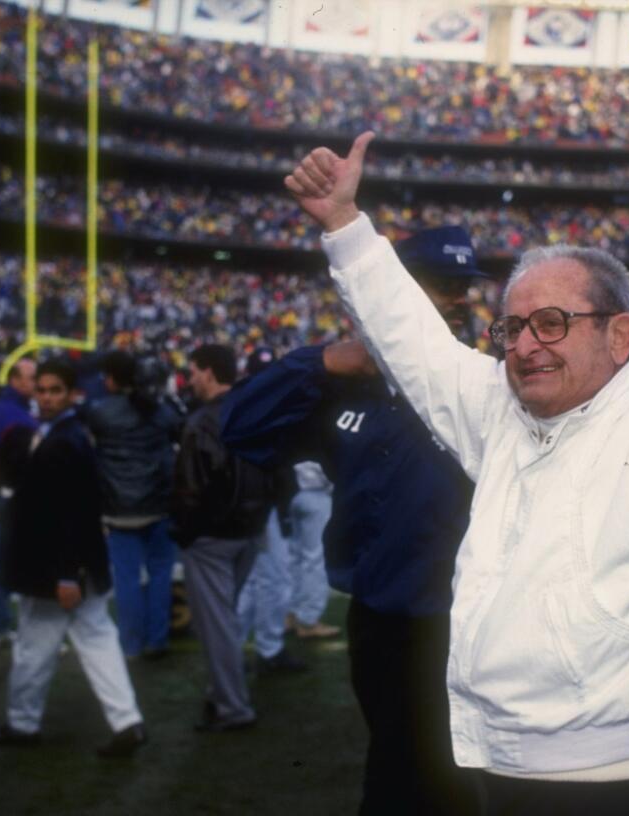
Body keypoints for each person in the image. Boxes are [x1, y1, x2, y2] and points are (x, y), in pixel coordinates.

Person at [283, 86, 629, 813]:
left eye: (553, 323)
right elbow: (414, 343)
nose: (525, 345)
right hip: (493, 764)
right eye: (513, 327)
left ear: (620, 335)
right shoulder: (502, 414)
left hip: (611, 783)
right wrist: (344, 224)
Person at [221, 226, 488, 815]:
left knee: (461, 776)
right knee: (397, 763)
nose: (460, 299)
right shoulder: (349, 387)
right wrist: (320, 361)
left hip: (473, 618)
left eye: (464, 287)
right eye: (444, 286)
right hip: (384, 619)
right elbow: (238, 425)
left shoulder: (484, 380)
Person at [0, 357, 147, 758]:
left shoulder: (64, 441)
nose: (46, 397)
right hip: (77, 565)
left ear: (72, 393)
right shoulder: (67, 433)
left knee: (34, 648)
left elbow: (68, 515)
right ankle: (126, 720)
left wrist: (66, 574)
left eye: (55, 390)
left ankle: (23, 723)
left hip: (57, 571)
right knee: (97, 640)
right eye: (41, 390)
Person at [173, 344, 275, 732]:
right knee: (224, 619)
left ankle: (232, 707)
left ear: (210, 372)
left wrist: (184, 531)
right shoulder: (254, 409)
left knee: (218, 626)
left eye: (194, 371)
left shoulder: (202, 422)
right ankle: (222, 697)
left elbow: (192, 488)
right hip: (248, 530)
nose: (190, 378)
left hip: (213, 537)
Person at [85, 350, 182, 661]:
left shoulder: (100, 412)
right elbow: (179, 430)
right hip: (159, 504)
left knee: (126, 580)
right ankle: (158, 639)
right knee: (160, 575)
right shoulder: (162, 411)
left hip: (119, 509)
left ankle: (130, 644)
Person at [234, 347, 306, 675]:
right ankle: (269, 649)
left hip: (264, 502)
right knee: (274, 578)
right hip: (258, 503)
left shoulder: (258, 400)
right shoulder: (252, 403)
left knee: (255, 579)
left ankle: (238, 645)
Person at [0, 357, 38, 651]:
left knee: (8, 560)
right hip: (13, 497)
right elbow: (16, 462)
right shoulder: (9, 414)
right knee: (20, 561)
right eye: (30, 377)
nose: (35, 383)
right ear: (15, 381)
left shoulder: (12, 410)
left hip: (8, 496)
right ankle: (14, 627)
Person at [285, 461, 338, 640]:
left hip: (293, 493)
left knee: (296, 557)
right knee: (315, 559)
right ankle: (308, 620)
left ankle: (291, 614)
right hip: (316, 493)